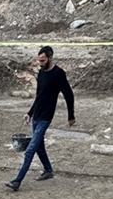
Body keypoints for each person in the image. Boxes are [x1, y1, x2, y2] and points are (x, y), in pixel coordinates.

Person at [5, 45, 75, 191]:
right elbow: (39, 96)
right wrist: (30, 113)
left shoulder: (58, 74)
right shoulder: (41, 73)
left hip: (46, 117)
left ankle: (17, 181)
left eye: (43, 61)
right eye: (39, 60)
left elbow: (69, 95)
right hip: (37, 115)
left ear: (50, 57)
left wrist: (71, 116)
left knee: (30, 149)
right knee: (39, 146)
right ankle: (48, 170)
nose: (40, 63)